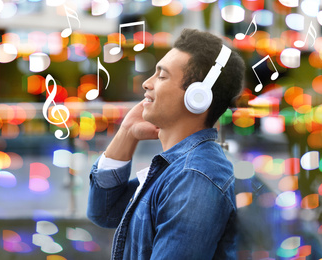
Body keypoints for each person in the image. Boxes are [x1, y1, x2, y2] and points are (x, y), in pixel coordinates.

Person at [87, 28, 245, 259]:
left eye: (161, 76)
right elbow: (104, 212)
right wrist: (127, 132)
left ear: (197, 96)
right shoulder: (177, 167)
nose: (147, 84)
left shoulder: (194, 178)